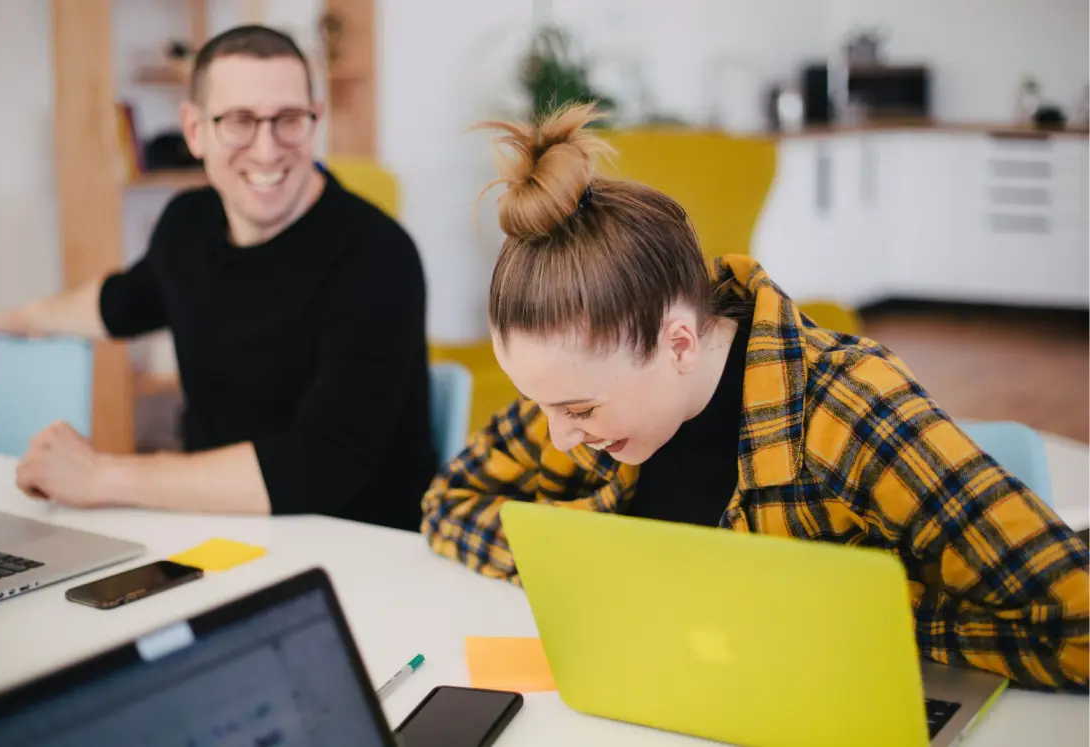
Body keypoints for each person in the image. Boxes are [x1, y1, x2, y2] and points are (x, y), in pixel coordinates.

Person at [420, 102, 1090, 691]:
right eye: (541, 404)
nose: (559, 435)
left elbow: (1077, 622)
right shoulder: (584, 393)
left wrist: (868, 615)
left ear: (679, 342)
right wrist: (593, 566)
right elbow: (448, 504)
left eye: (579, 410)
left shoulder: (849, 411)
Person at [0, 25, 436, 531]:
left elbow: (321, 465)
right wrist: (6, 319)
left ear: (316, 121)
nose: (267, 151)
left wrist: (102, 476)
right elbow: (121, 302)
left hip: (358, 549)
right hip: (215, 529)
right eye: (239, 121)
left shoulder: (379, 255)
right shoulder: (188, 224)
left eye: (288, 119)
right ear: (195, 130)